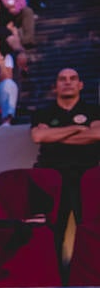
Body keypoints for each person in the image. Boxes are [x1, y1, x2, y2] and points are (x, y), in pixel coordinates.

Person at [30, 68, 100, 250]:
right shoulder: (43, 113)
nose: (67, 82)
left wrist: (54, 135)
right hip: (51, 176)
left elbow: (97, 133)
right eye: (62, 79)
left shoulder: (93, 110)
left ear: (80, 84)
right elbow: (38, 137)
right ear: (55, 87)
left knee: (90, 228)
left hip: (86, 174)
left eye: (72, 78)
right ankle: (54, 276)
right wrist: (78, 128)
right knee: (52, 230)